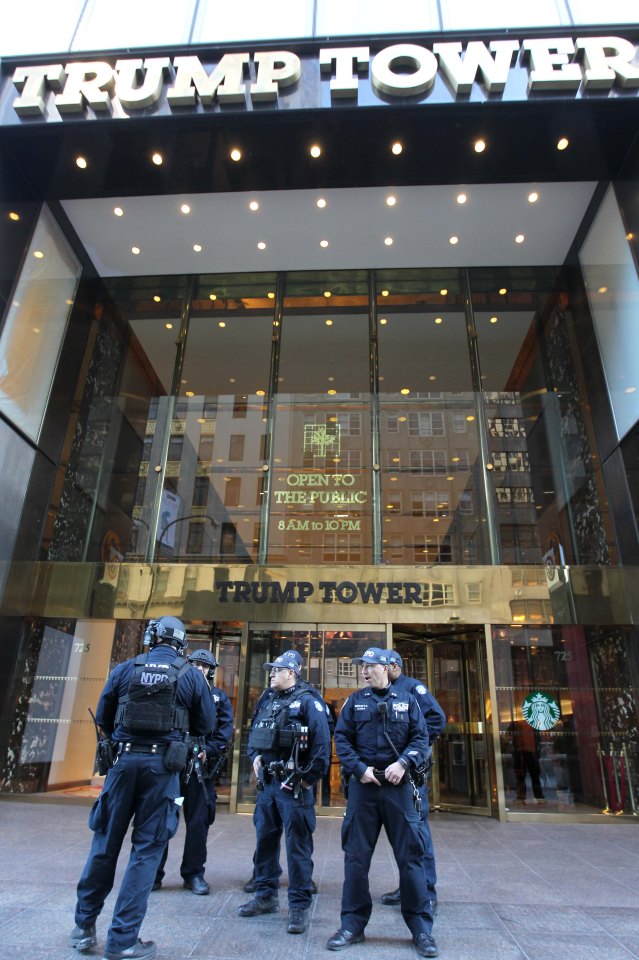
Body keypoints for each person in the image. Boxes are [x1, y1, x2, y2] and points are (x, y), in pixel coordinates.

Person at [71, 616, 215, 960]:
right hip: (163, 770)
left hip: (121, 765)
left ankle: (83, 927)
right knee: (146, 853)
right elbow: (205, 724)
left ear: (153, 637)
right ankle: (122, 941)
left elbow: (105, 716)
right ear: (180, 643)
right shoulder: (191, 675)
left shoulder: (124, 669)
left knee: (104, 844)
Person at [327, 647, 437, 958]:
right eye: (361, 666)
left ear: (386, 668)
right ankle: (352, 926)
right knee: (356, 859)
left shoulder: (408, 699)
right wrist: (359, 770)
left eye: (369, 666)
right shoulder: (354, 702)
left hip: (398, 787)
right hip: (364, 788)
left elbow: (421, 737)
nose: (364, 671)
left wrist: (403, 763)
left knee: (411, 858)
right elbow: (342, 738)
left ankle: (421, 930)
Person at [238, 651, 331, 935]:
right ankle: (265, 895)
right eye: (271, 670)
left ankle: (299, 906)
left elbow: (322, 747)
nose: (271, 674)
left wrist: (306, 781)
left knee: (297, 847)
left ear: (292, 672)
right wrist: (254, 756)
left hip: (294, 787)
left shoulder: (308, 701)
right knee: (265, 841)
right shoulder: (267, 699)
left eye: (277, 670)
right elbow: (255, 732)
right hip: (267, 786)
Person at [153, 648, 235, 895]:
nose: (200, 669)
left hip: (200, 773)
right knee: (164, 818)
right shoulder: (175, 691)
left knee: (198, 822)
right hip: (173, 769)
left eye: (204, 666)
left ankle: (193, 874)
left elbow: (224, 733)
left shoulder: (219, 697)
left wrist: (207, 750)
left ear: (211, 671)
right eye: (196, 665)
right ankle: (154, 874)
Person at [380, 650, 446, 913]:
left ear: (394, 666)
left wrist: (413, 747)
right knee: (402, 838)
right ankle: (409, 887)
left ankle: (427, 892)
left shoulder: (413, 688)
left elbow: (437, 719)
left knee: (418, 835)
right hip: (391, 775)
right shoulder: (385, 691)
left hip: (410, 774)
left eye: (383, 666)